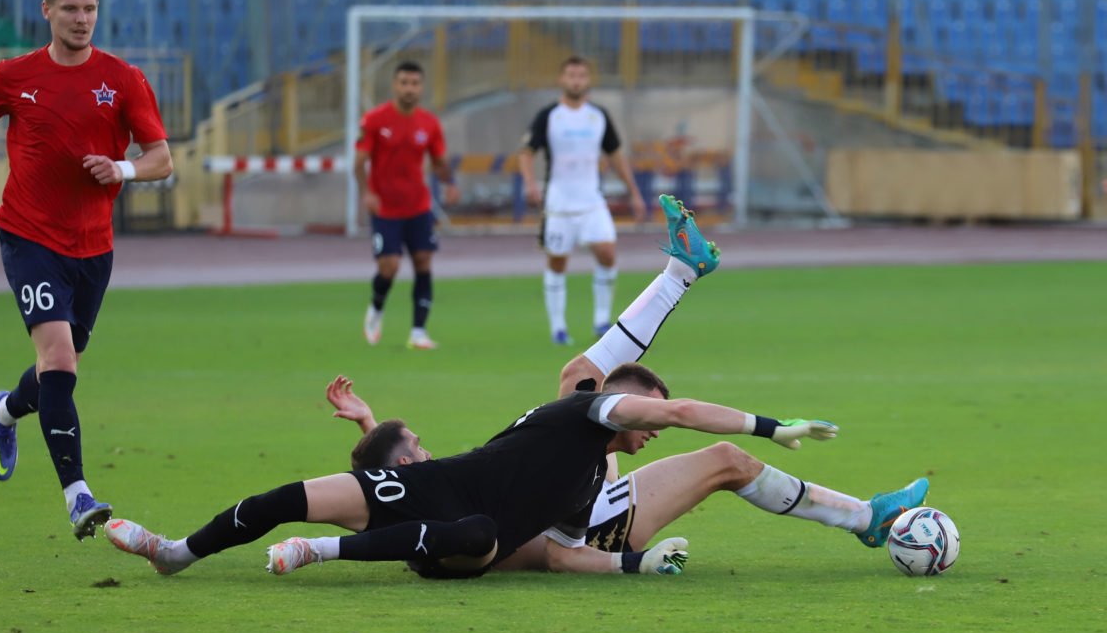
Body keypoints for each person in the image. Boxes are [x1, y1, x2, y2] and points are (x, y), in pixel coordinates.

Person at [102, 197, 867, 580]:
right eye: (638, 420)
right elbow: (665, 416)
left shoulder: (568, 419)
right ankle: (180, 550)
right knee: (292, 499)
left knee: (698, 450)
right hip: (558, 521)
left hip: (563, 515)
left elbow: (651, 420)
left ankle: (679, 274)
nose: (650, 430)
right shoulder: (566, 431)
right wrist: (773, 424)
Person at [325, 199, 928, 569]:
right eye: (414, 450)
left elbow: (393, 485)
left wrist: (370, 427)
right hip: (586, 526)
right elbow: (398, 487)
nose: (424, 453)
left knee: (573, 381)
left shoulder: (415, 501)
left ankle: (680, 274)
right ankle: (866, 520)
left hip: (567, 501)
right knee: (724, 458)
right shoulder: (426, 521)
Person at [0, 0, 173, 540]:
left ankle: (6, 410)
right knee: (59, 361)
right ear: (47, 11)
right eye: (70, 9)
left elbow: (162, 156)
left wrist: (123, 167)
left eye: (89, 9)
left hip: (94, 248)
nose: (81, 19)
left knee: (61, 365)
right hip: (29, 236)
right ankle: (78, 495)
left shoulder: (124, 79)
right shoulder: (14, 74)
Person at [519, 55, 647, 345]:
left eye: (581, 76)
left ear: (588, 80)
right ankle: (558, 328)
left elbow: (615, 155)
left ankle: (602, 320)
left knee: (608, 254)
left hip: (592, 202)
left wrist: (634, 191)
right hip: (559, 204)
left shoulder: (598, 116)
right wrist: (529, 183)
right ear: (561, 80)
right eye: (571, 75)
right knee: (557, 261)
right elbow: (526, 151)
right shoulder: (549, 115)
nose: (576, 80)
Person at [355, 61, 458, 350]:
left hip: (418, 206)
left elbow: (438, 162)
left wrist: (449, 182)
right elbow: (359, 162)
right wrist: (366, 193)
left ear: (421, 87)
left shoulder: (429, 123)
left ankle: (418, 332)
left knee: (423, 261)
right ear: (394, 85)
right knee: (389, 266)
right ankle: (376, 309)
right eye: (404, 82)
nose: (409, 88)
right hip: (385, 207)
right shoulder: (374, 120)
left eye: (414, 83)